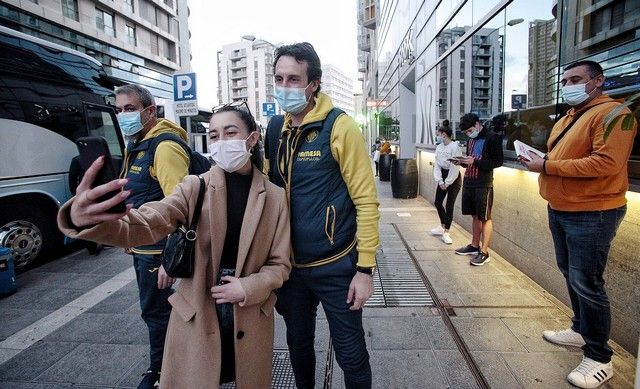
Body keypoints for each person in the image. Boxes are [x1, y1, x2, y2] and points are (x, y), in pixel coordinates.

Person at [57, 103, 292, 388]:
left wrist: (249, 286)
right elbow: (151, 220)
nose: (221, 142)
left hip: (250, 309)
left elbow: (280, 264)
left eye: (230, 133)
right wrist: (86, 220)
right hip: (198, 309)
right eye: (214, 135)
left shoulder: (276, 196)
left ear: (252, 139)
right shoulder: (196, 186)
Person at [264, 42, 380, 389]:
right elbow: (267, 194)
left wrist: (365, 270)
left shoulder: (339, 127)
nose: (285, 87)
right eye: (279, 78)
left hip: (337, 266)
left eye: (294, 79)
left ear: (313, 82)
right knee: (297, 346)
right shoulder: (274, 130)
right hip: (290, 269)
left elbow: (366, 201)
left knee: (350, 353)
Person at [519, 60, 636, 389]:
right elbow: (565, 156)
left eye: (576, 79)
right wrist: (539, 159)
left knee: (588, 282)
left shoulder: (614, 114)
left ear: (598, 81)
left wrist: (548, 165)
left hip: (593, 211)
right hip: (562, 207)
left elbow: (607, 162)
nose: (568, 84)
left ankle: (599, 358)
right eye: (565, 79)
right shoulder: (572, 116)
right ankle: (580, 329)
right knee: (571, 274)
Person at [115, 84, 191, 388]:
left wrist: (172, 259)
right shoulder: (139, 144)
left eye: (130, 109)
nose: (123, 116)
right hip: (145, 248)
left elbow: (182, 204)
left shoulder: (163, 147)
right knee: (156, 313)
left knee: (158, 314)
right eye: (119, 110)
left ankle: (162, 374)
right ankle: (169, 368)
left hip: (159, 253)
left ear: (150, 111)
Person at [452, 113, 503, 265]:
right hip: (470, 181)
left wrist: (476, 162)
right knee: (474, 215)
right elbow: (470, 160)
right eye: (466, 132)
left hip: (483, 183)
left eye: (469, 130)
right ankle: (474, 245)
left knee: (485, 217)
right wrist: (461, 162)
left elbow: (497, 161)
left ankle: (485, 252)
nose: (468, 133)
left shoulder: (492, 137)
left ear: (477, 124)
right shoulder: (471, 140)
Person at [430, 123, 462, 244]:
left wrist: (447, 183)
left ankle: (447, 232)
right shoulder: (439, 147)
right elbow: (437, 164)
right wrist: (440, 181)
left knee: (449, 205)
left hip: (453, 178)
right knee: (438, 202)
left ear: (444, 134)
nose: (437, 136)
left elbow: (455, 167)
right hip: (442, 176)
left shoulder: (455, 147)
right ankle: (443, 225)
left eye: (438, 134)